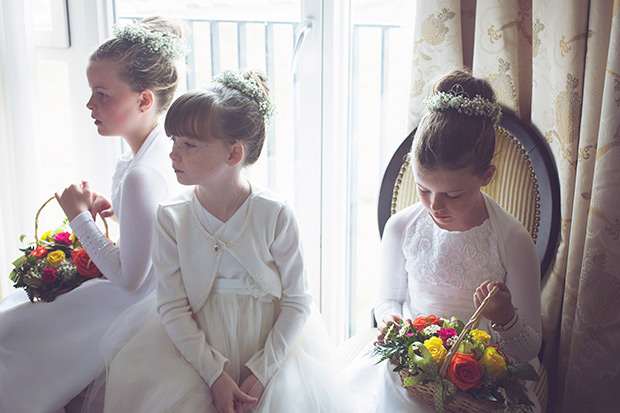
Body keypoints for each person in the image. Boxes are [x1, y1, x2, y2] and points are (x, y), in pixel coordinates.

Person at [98, 69, 351, 413]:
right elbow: (172, 306)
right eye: (173, 140)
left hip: (271, 350)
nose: (174, 154)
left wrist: (261, 373)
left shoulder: (274, 214)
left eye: (189, 145)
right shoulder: (172, 217)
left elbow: (297, 301)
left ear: (233, 154)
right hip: (194, 352)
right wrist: (215, 375)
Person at [0, 17, 186, 413]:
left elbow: (129, 280)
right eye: (91, 92)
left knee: (14, 331)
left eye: (102, 94)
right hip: (144, 290)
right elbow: (156, 230)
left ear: (144, 100)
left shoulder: (140, 174)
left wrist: (78, 218)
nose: (90, 105)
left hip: (136, 304)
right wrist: (115, 214)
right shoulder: (158, 151)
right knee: (17, 309)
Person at [345, 68, 543, 412]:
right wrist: (390, 319)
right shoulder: (401, 228)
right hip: (413, 366)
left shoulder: (512, 240)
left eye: (452, 194)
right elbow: (387, 300)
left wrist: (505, 315)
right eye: (423, 189)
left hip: (483, 375)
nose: (435, 206)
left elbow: (529, 349)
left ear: (486, 176)